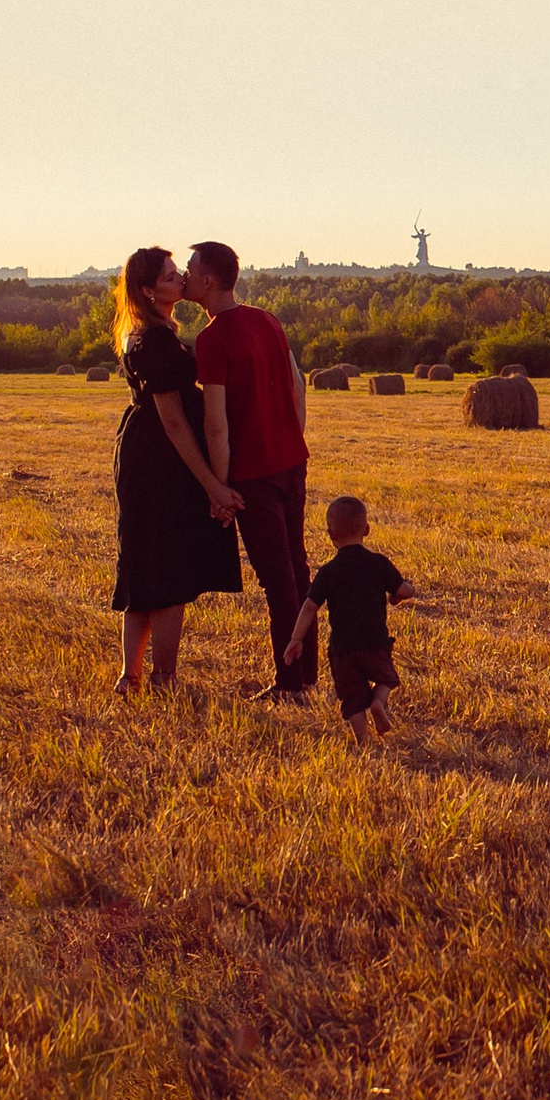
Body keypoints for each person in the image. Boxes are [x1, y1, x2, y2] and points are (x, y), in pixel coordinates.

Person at [183, 241, 317, 700]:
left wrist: (218, 487)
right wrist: (292, 438)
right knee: (297, 570)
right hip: (291, 463)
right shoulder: (267, 319)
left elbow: (215, 424)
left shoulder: (212, 338)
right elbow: (299, 388)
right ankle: (310, 674)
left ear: (208, 281)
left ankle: (290, 684)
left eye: (189, 269)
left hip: (254, 476)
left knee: (278, 580)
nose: (182, 276)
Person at [109, 247, 243, 692]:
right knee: (167, 571)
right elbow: (173, 421)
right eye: (170, 277)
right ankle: (162, 678)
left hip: (143, 454)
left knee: (143, 560)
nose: (180, 280)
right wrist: (212, 486)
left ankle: (131, 676)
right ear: (148, 291)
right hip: (161, 461)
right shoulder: (158, 342)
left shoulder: (145, 332)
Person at [284, 494, 414, 744]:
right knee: (386, 677)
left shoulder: (328, 571)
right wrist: (408, 588)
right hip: (375, 642)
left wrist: (296, 639)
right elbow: (402, 591)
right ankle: (378, 702)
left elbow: (310, 607)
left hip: (342, 650)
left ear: (330, 534)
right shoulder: (379, 563)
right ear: (367, 529)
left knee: (352, 698)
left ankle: (363, 740)